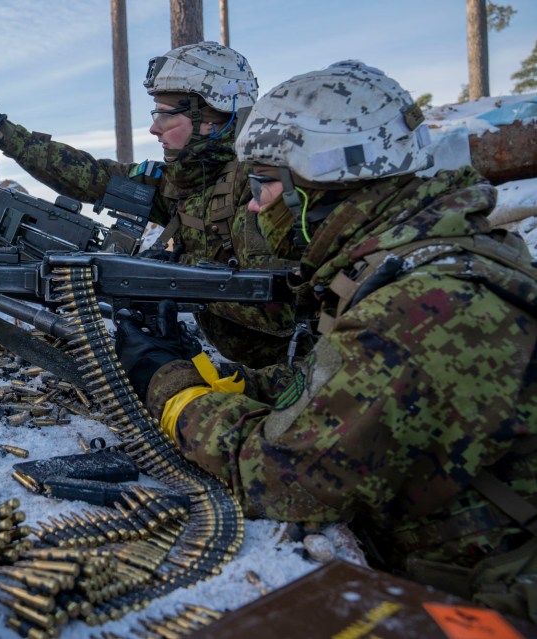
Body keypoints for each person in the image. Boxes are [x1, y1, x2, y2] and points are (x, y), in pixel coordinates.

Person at [115, 60, 537, 620]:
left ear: (320, 188)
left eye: (265, 183)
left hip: (482, 596)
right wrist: (239, 381)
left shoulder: (419, 308)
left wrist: (169, 388)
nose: (252, 204)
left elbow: (282, 476)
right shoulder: (424, 257)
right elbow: (344, 380)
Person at [0, 42, 297, 368]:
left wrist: (170, 274)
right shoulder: (183, 180)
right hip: (248, 365)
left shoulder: (258, 185)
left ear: (212, 117)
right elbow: (92, 177)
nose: (153, 129)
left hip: (296, 373)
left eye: (165, 114)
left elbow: (279, 309)